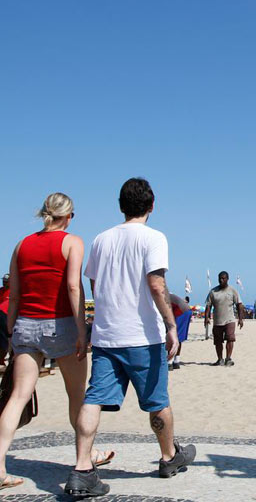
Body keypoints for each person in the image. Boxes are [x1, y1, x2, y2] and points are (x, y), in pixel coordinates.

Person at [64, 178, 195, 497]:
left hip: (108, 335)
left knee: (93, 399)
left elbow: (95, 285)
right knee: (157, 400)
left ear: (121, 206)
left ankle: (82, 468)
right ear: (152, 205)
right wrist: (171, 325)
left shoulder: (102, 239)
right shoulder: (154, 238)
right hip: (142, 336)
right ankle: (168, 458)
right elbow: (155, 285)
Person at [0, 193, 114, 492]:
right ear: (68, 215)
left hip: (25, 325)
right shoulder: (72, 242)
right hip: (60, 323)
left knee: (17, 397)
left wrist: (11, 331)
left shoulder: (22, 244)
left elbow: (15, 292)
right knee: (77, 395)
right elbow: (73, 286)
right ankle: (86, 457)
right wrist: (81, 330)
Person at [204, 272, 244, 367]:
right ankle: (220, 359)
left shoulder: (232, 291)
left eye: (223, 278)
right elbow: (208, 306)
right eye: (220, 278)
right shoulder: (213, 292)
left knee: (230, 339)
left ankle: (228, 358)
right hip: (217, 321)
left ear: (227, 279)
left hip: (229, 320)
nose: (221, 280)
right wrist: (206, 317)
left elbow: (239, 305)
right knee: (218, 342)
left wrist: (240, 319)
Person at [169, 294, 192, 370]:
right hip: (186, 311)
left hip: (181, 311)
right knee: (178, 337)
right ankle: (176, 361)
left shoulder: (159, 296)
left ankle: (170, 362)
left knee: (173, 336)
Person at [0, 274, 10, 366]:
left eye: (6, 281)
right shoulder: (1, 290)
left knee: (5, 339)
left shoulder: (14, 291)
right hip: (2, 314)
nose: (4, 282)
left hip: (7, 315)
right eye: (4, 280)